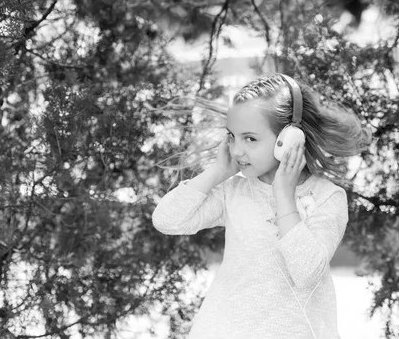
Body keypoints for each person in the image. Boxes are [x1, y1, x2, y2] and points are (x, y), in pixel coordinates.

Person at [152, 74, 371, 338]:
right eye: (232, 137)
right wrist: (218, 171)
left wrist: (284, 196)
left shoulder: (327, 197)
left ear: (289, 139)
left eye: (250, 139)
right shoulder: (234, 192)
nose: (236, 151)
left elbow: (307, 272)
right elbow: (167, 220)